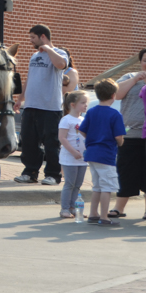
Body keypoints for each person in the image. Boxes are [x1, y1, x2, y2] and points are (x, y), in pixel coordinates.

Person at [14, 24, 68, 185]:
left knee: (51, 143)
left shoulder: (59, 53)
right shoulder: (34, 56)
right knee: (29, 142)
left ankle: (53, 174)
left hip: (50, 108)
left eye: (33, 37)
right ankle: (30, 172)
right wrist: (20, 99)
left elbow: (61, 65)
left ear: (43, 36)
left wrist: (48, 49)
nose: (31, 41)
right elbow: (29, 79)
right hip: (31, 106)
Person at [78, 79, 125, 226]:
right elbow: (118, 137)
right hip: (106, 154)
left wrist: (93, 138)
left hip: (92, 153)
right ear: (113, 95)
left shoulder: (91, 111)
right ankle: (104, 216)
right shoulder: (115, 114)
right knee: (107, 187)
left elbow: (82, 129)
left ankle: (93, 213)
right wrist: (121, 142)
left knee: (97, 186)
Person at [112, 50, 146, 220]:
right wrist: (134, 80)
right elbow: (116, 94)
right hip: (129, 134)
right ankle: (119, 208)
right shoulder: (130, 77)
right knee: (125, 171)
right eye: (145, 60)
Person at [57, 90, 89, 219]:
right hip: (70, 158)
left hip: (82, 159)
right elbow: (62, 138)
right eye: (83, 103)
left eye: (86, 103)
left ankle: (73, 207)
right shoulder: (66, 120)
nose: (86, 105)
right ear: (72, 105)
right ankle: (64, 208)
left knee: (78, 185)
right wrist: (73, 152)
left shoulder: (83, 119)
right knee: (69, 184)